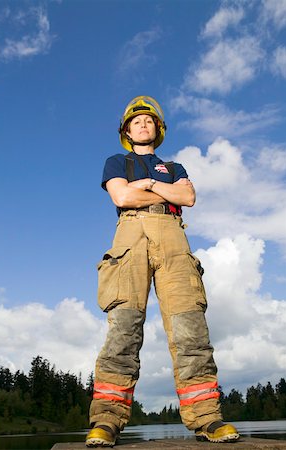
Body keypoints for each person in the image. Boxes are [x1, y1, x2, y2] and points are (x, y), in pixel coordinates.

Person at [86, 96, 239, 447]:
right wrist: (151, 190)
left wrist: (147, 184)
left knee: (190, 329)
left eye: (149, 120)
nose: (143, 124)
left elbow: (187, 198)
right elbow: (121, 198)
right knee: (123, 329)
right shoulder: (116, 161)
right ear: (126, 130)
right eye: (136, 121)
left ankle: (206, 418)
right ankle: (106, 420)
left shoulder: (174, 166)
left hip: (172, 236)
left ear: (158, 128)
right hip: (130, 236)